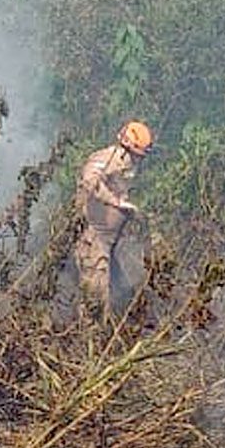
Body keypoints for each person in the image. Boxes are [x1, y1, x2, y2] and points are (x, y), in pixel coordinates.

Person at [73, 120, 153, 318]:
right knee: (95, 301)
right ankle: (89, 335)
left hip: (110, 244)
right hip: (93, 241)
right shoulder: (107, 159)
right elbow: (89, 180)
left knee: (122, 293)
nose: (138, 160)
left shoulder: (127, 169)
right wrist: (115, 202)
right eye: (136, 155)